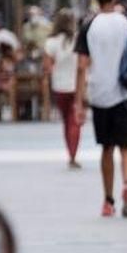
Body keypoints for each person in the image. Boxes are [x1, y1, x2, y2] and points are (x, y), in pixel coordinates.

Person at [74, 0, 127, 218]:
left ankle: (108, 200)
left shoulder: (89, 25)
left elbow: (82, 65)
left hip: (100, 93)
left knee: (106, 148)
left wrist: (79, 101)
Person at [44, 9, 83, 169]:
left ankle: (70, 153)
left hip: (59, 86)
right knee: (75, 121)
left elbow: (47, 66)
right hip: (76, 86)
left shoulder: (51, 42)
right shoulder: (79, 40)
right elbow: (85, 63)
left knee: (66, 121)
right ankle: (73, 155)